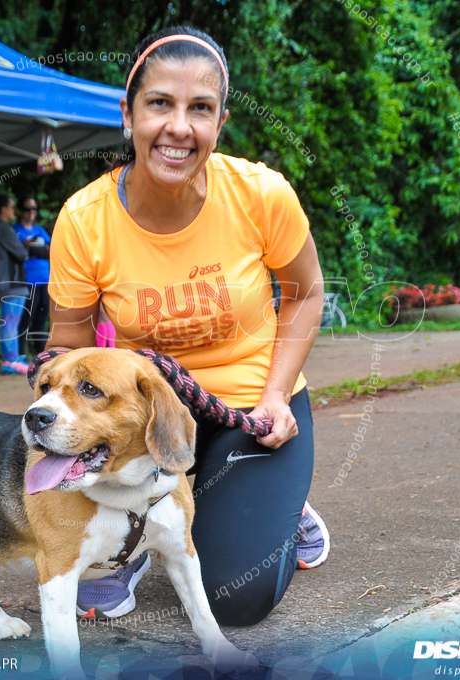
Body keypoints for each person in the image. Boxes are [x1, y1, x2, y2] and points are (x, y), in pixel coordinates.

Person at [45, 26, 329, 626]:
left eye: (200, 108)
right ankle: (147, 526)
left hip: (250, 413)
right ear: (128, 116)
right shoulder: (84, 218)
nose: (179, 127)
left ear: (219, 123)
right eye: (159, 105)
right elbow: (66, 346)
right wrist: (55, 397)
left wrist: (277, 393)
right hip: (140, 416)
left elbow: (306, 292)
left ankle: (276, 506)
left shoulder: (260, 194)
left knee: (236, 599)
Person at [0, 194, 30, 374]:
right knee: (10, 322)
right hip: (10, 282)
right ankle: (11, 359)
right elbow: (21, 253)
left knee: (8, 321)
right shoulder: (3, 228)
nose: (14, 211)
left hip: (4, 281)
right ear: (3, 209)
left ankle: (11, 358)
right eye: (11, 207)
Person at [14, 197, 53, 357]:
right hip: (28, 281)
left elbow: (51, 248)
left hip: (45, 280)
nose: (30, 212)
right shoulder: (16, 230)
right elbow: (21, 251)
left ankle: (42, 356)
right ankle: (20, 355)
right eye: (26, 209)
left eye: (33, 208)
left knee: (41, 319)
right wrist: (37, 249)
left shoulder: (39, 229)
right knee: (25, 320)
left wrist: (34, 249)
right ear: (19, 211)